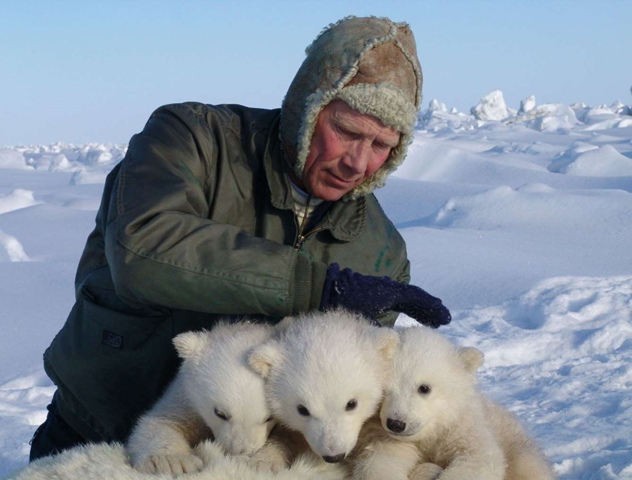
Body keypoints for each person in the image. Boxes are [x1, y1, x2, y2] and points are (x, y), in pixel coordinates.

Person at [29, 15, 451, 461]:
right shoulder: (192, 140)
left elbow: (351, 395)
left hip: (244, 459)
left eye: (382, 145)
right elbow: (142, 244)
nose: (358, 163)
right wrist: (315, 286)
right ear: (306, 107)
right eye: (346, 132)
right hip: (97, 431)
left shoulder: (379, 251)